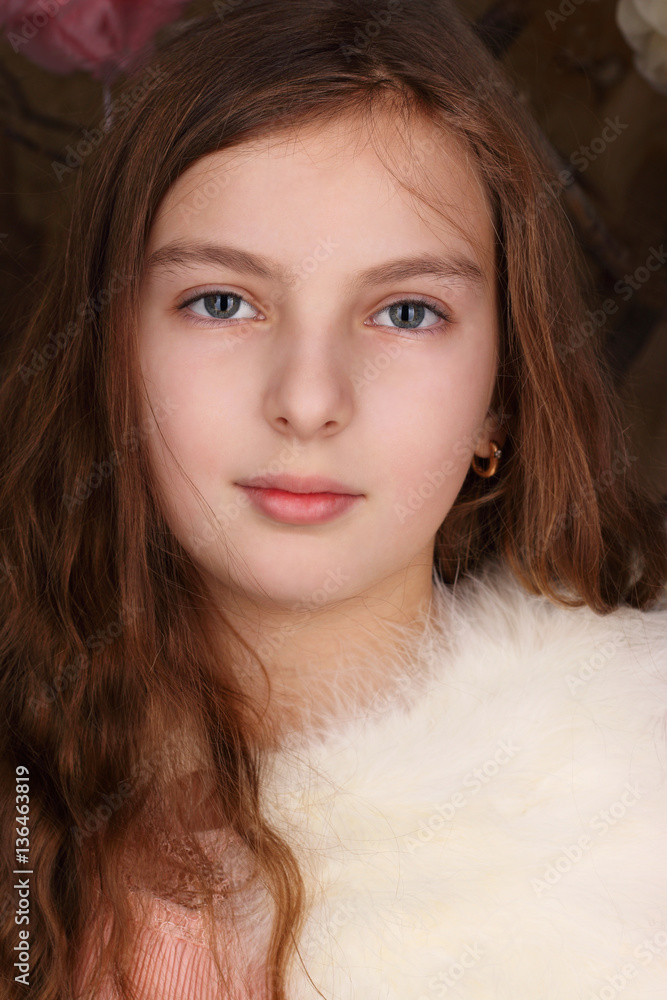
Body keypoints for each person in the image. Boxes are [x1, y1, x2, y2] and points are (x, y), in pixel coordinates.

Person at [1, 1, 666, 998]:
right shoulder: (28, 818)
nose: (308, 400)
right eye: (222, 301)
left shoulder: (627, 835)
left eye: (405, 311)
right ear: (111, 358)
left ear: (502, 395)